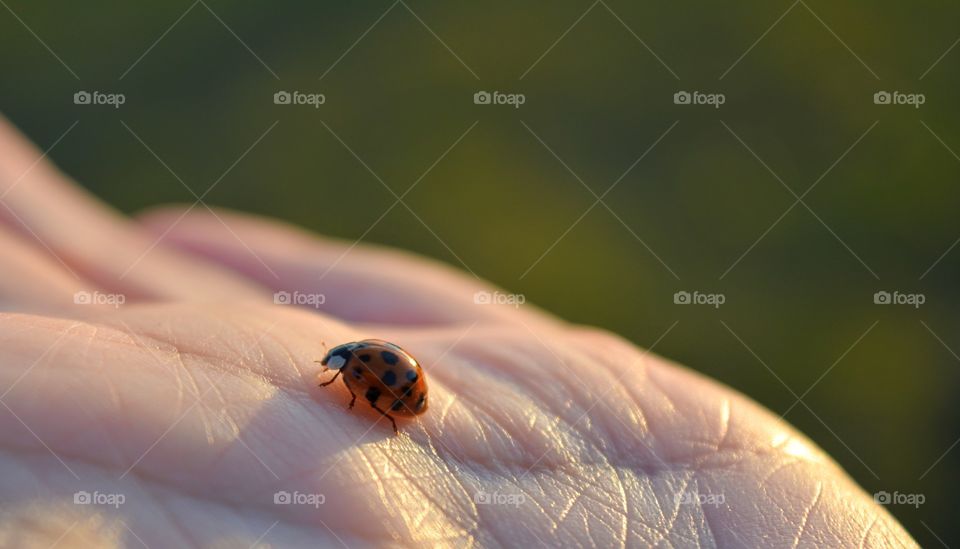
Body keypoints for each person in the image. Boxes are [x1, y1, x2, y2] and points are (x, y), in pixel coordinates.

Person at [0, 115, 915, 547]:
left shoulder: (358, 371)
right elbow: (365, 378)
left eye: (347, 376)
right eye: (352, 377)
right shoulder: (363, 369)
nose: (344, 380)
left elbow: (360, 380)